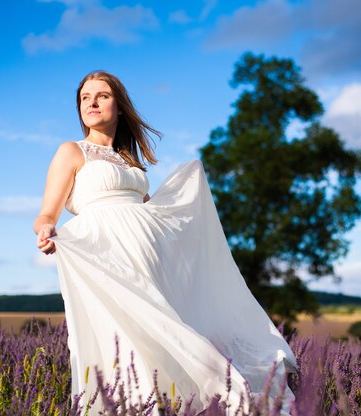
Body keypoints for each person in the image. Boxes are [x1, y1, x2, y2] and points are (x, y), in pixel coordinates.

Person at [33, 70, 298, 414]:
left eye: (102, 96)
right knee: (127, 341)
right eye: (85, 98)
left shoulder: (129, 160)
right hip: (107, 261)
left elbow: (146, 214)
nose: (92, 103)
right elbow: (46, 213)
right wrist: (45, 230)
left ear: (120, 106)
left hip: (149, 260)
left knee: (164, 337)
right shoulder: (72, 152)